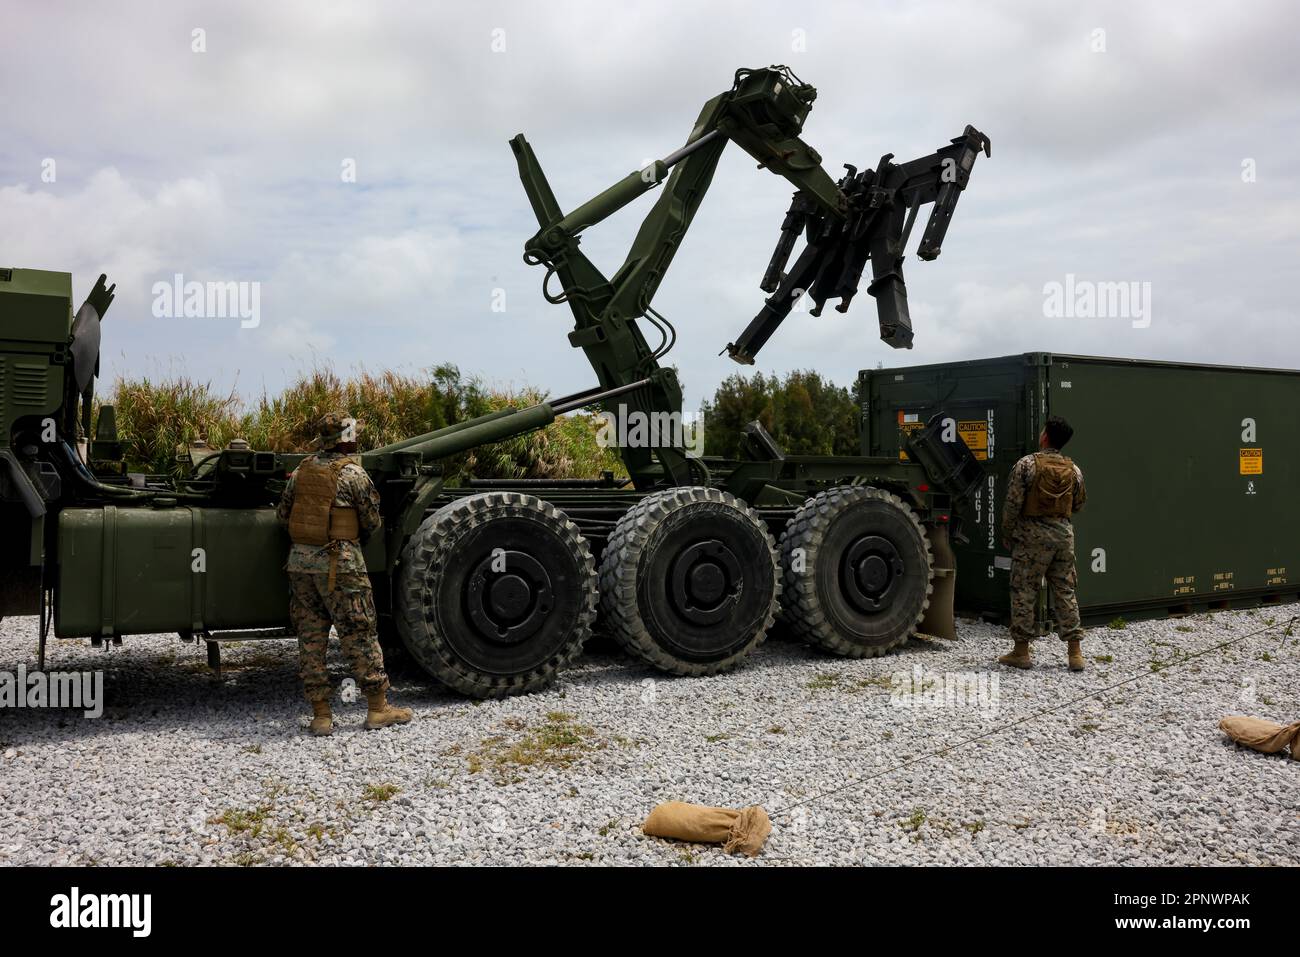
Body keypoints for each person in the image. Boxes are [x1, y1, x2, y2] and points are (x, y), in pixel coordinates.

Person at [277, 412, 412, 735]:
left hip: (300, 565)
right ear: (347, 438)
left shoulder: (301, 471)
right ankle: (377, 709)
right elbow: (372, 523)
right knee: (359, 634)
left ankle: (321, 715)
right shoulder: (353, 475)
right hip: (341, 565)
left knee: (310, 640)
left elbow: (283, 516)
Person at [998, 415, 1087, 671]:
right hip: (1063, 536)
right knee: (1065, 590)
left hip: (1030, 538)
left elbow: (1013, 503)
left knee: (1024, 590)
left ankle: (1021, 652)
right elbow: (1079, 504)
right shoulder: (1074, 469)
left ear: (1045, 436)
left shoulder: (1027, 464)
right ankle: (1075, 653)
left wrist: (1008, 533)